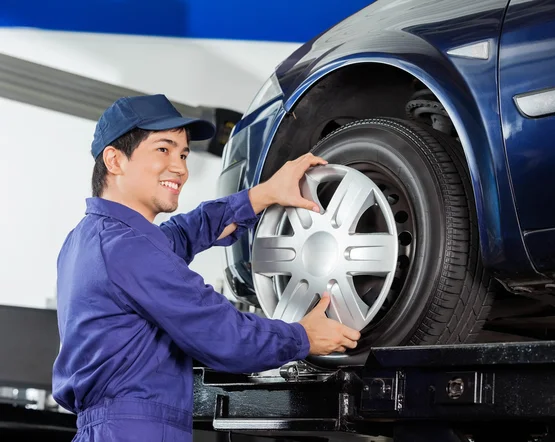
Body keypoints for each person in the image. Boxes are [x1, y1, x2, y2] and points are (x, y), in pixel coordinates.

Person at [51, 94, 361, 442]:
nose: (181, 167)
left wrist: (262, 195)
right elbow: (225, 336)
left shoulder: (90, 238)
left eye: (183, 154)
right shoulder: (127, 248)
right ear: (114, 160)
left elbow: (181, 234)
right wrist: (302, 338)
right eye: (163, 150)